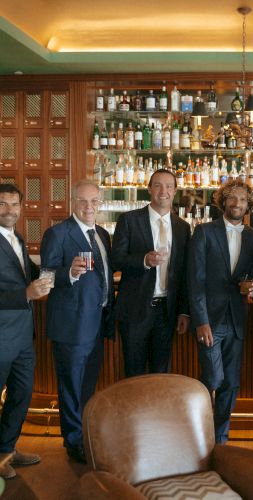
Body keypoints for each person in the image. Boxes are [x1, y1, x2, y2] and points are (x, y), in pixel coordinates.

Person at [40, 179, 114, 464]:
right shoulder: (58, 233)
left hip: (96, 324)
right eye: (83, 201)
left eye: (94, 201)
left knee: (86, 387)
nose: (89, 206)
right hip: (71, 326)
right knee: (71, 386)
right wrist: (68, 273)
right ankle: (73, 442)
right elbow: (45, 278)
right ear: (73, 202)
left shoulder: (102, 235)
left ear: (100, 204)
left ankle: (84, 435)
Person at [188, 179, 253, 444]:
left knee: (231, 383)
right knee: (213, 377)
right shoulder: (205, 232)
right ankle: (202, 433)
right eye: (232, 198)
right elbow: (194, 280)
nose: (237, 203)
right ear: (223, 202)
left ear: (249, 204)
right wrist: (201, 321)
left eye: (243, 200)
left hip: (237, 319)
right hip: (210, 318)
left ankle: (220, 437)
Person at [112, 169, 190, 377]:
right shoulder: (129, 220)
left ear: (175, 191)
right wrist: (144, 260)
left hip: (166, 312)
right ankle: (134, 411)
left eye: (168, 186)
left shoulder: (183, 227)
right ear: (149, 189)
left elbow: (183, 274)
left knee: (160, 373)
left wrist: (183, 311)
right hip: (135, 309)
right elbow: (116, 259)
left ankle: (158, 411)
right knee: (134, 372)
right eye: (157, 185)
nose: (163, 191)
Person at [0, 184, 51, 480]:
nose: (9, 210)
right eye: (3, 204)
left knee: (21, 395)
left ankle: (7, 450)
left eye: (14, 205)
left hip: (22, 338)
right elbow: (24, 289)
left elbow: (29, 275)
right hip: (2, 335)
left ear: (21, 206)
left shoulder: (16, 237)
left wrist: (64, 270)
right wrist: (25, 295)